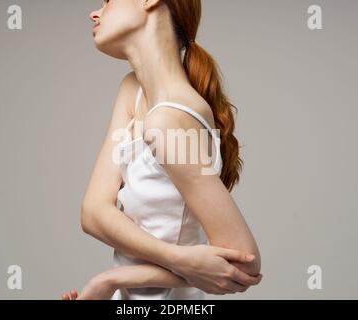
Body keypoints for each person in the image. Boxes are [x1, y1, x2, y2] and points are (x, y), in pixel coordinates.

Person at [62, 0, 262, 300]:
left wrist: (111, 280)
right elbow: (93, 212)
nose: (95, 12)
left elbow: (244, 264)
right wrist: (178, 259)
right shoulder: (133, 91)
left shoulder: (169, 119)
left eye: (107, 1)